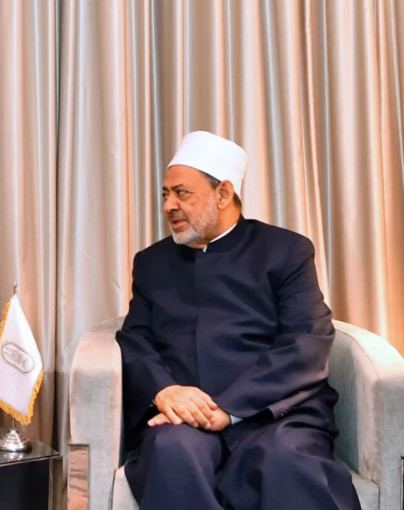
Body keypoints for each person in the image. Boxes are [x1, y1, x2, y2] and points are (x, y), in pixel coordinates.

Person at [116, 131, 360, 509]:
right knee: (171, 454)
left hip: (273, 413)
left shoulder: (286, 251)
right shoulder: (152, 263)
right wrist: (165, 391)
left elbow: (307, 341)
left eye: (182, 193)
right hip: (185, 417)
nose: (169, 206)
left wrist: (229, 409)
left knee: (286, 461)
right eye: (165, 194)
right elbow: (135, 340)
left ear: (224, 194)